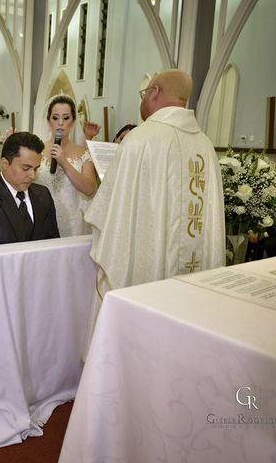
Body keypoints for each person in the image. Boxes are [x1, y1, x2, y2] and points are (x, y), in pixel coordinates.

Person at [83, 69, 226, 353]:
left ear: (155, 92)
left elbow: (109, 213)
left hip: (146, 277)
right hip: (193, 283)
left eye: (144, 93)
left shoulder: (141, 139)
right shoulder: (206, 145)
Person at [0, 132, 59, 248]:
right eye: (26, 168)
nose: (32, 175)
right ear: (5, 164)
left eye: (36, 169)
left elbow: (53, 244)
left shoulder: (43, 194)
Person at [34, 95, 99, 236]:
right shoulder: (36, 150)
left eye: (66, 118)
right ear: (48, 121)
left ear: (73, 121)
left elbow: (89, 189)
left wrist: (64, 163)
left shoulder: (84, 153)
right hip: (41, 219)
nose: (60, 123)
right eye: (55, 118)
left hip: (72, 224)